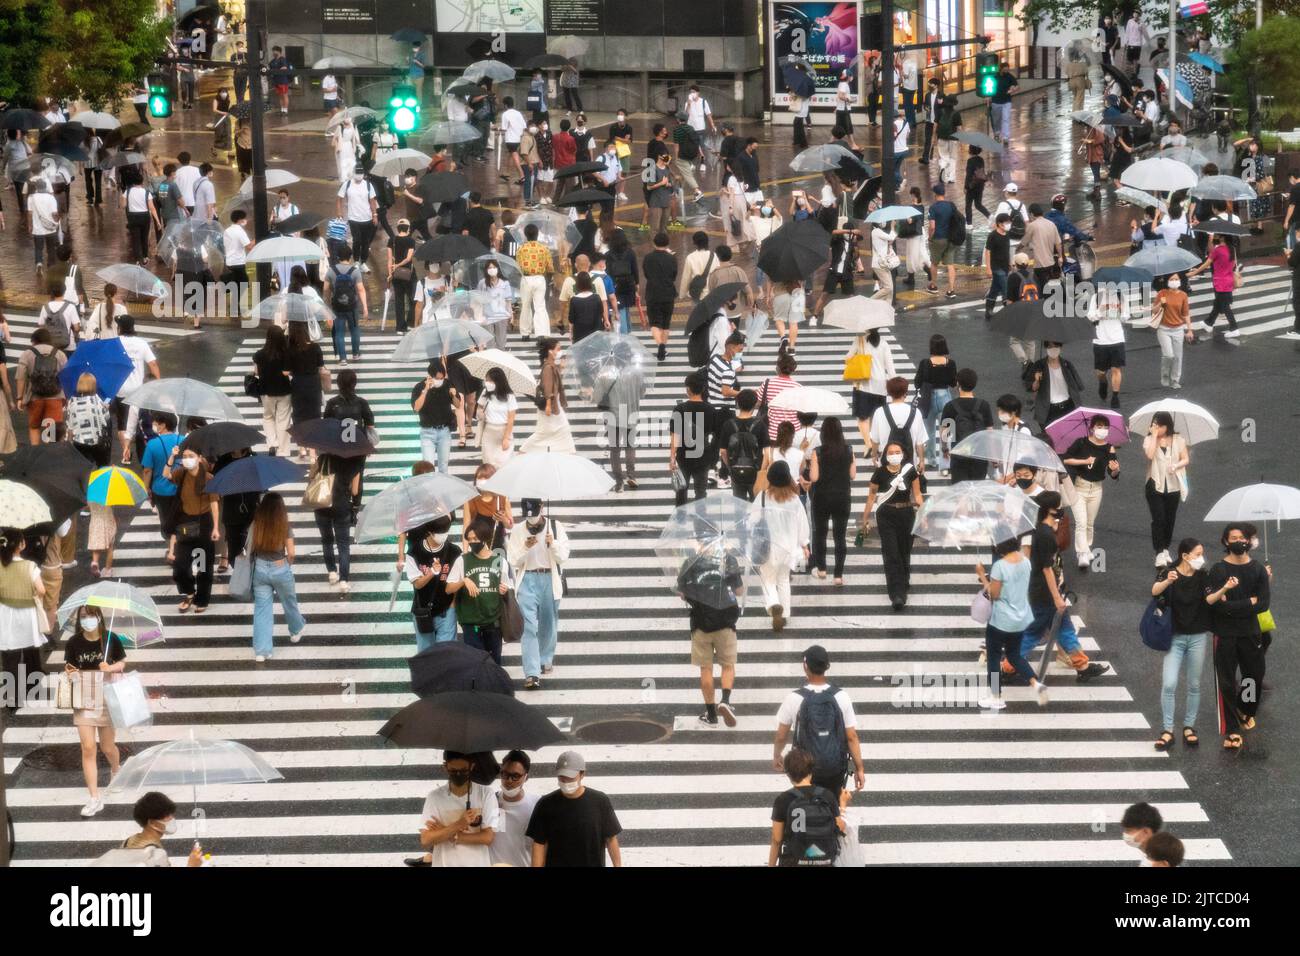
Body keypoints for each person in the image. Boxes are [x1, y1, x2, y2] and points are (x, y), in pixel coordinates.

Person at [1019, 492, 1110, 681]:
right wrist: (1057, 597)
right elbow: (1046, 569)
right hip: (1045, 594)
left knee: (1065, 629)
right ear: (1049, 510)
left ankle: (1082, 665)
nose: (1061, 509)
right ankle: (1009, 665)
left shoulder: (1044, 530)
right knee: (1033, 633)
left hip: (1047, 592)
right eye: (1058, 506)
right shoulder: (1044, 535)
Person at [1206, 524, 1269, 750]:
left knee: (1254, 676)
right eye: (1233, 538)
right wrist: (1248, 603)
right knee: (1226, 682)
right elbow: (1218, 608)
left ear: (1249, 541)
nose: (1239, 541)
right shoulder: (1218, 570)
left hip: (1251, 633)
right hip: (1225, 635)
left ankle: (1246, 708)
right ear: (1225, 542)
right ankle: (1232, 729)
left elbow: (1263, 604)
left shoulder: (1258, 570)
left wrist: (1234, 605)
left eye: (1242, 538)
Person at [772, 645, 865, 798]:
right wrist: (859, 769)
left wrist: (777, 756)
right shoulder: (841, 697)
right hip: (834, 767)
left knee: (805, 805)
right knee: (833, 806)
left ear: (805, 666)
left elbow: (781, 736)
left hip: (804, 768)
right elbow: (851, 737)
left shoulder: (794, 698)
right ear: (827, 667)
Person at [63, 605, 125, 817]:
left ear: (99, 617)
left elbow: (123, 662)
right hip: (84, 696)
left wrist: (110, 668)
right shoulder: (73, 642)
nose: (87, 619)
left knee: (107, 747)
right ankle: (94, 797)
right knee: (88, 748)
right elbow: (69, 665)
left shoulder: (110, 639)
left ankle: (116, 769)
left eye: (91, 615)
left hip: (106, 695)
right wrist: (71, 673)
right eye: (83, 616)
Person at [1150, 537, 1211, 750]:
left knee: (1194, 685)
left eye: (1201, 554)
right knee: (1169, 683)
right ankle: (1168, 730)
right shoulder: (1170, 572)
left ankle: (1188, 726)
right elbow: (1154, 591)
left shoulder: (1204, 576)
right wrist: (1168, 581)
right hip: (1174, 637)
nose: (1201, 558)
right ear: (1185, 556)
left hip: (1197, 636)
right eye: (1197, 554)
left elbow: (1211, 599)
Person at [975, 535, 1047, 709]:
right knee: (1014, 655)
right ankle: (1036, 684)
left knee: (993, 656)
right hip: (1020, 618)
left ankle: (996, 696)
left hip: (1001, 620)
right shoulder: (1025, 562)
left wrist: (982, 576)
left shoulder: (999, 566)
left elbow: (994, 594)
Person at [508, 502, 569, 690]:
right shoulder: (518, 530)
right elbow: (513, 560)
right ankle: (532, 673)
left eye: (533, 514)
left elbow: (564, 556)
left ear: (541, 508)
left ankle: (545, 658)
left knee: (548, 622)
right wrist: (525, 547)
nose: (531, 519)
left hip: (549, 578)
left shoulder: (555, 527)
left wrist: (553, 545)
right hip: (527, 579)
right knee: (528, 627)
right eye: (527, 515)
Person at [527, 750, 622, 867]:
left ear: (582, 774)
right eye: (561, 777)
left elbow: (611, 838)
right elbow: (539, 843)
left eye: (570, 777)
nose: (565, 781)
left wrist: (617, 865)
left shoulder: (600, 801)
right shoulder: (545, 803)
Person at [861, 439, 922, 610]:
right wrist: (865, 518)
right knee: (891, 553)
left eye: (897, 452)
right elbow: (871, 496)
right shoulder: (879, 473)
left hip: (907, 514)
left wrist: (923, 514)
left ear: (903, 454)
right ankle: (897, 594)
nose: (894, 455)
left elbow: (917, 495)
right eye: (890, 452)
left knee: (904, 551)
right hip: (886, 515)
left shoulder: (911, 471)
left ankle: (904, 580)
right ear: (885, 455)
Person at [751, 461, 810, 631]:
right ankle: (784, 615)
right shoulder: (794, 500)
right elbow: (802, 524)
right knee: (784, 580)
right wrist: (804, 544)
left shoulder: (762, 497)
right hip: (789, 548)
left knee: (768, 580)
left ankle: (774, 604)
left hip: (768, 547)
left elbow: (752, 520)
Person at [446, 515, 512, 665]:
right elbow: (449, 589)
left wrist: (504, 590)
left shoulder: (498, 561)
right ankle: (477, 687)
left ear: (485, 538)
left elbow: (507, 586)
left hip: (493, 621)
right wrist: (463, 581)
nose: (472, 542)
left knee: (494, 661)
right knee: (475, 660)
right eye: (469, 539)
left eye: (475, 538)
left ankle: (493, 687)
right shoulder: (463, 560)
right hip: (470, 622)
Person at [248, 492, 305, 663]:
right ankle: (295, 630)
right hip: (280, 567)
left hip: (259, 568)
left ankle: (262, 651)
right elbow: (292, 553)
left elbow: (250, 547)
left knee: (262, 609)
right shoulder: (284, 525)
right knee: (289, 602)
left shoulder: (256, 523)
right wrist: (286, 564)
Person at [415, 752, 499, 867]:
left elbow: (488, 837)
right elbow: (426, 839)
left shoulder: (487, 794)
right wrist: (459, 824)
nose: (458, 774)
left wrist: (447, 833)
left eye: (464, 770)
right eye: (453, 771)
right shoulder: (434, 797)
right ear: (445, 767)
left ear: (472, 767)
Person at [768, 747, 845, 867]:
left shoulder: (782, 800)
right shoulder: (827, 796)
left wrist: (771, 865)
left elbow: (776, 839)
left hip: (794, 861)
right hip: (824, 861)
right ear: (811, 771)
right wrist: (843, 805)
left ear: (788, 774)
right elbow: (839, 827)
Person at [1061, 414, 1119, 571]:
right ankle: (1082, 553)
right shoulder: (1081, 443)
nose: (1103, 430)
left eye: (1106, 427)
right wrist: (1084, 461)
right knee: (1080, 522)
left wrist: (1115, 470)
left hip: (1097, 489)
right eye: (1099, 426)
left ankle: (1087, 546)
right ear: (1092, 428)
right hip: (1079, 487)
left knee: (1089, 523)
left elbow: (1113, 473)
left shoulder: (1109, 448)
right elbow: (1065, 459)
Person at [0, 527, 46, 717]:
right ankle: (32, 685)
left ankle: (11, 698)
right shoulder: (30, 566)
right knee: (29, 650)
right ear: (21, 545)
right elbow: (42, 590)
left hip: (5, 612)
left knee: (9, 655)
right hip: (27, 613)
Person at [167, 446, 219, 613]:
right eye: (184, 456)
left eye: (191, 456)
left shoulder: (209, 479)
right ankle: (189, 592)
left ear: (199, 458)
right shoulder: (181, 474)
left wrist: (216, 527)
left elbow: (214, 504)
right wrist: (171, 458)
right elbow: (165, 475)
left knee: (203, 565)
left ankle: (202, 599)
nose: (186, 459)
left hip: (204, 525)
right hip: (185, 524)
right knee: (180, 565)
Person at [808, 417, 856, 586]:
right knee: (840, 536)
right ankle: (838, 575)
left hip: (822, 497)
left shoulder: (818, 452)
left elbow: (814, 477)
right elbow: (852, 475)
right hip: (842, 497)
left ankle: (821, 569)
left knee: (820, 533)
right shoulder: (849, 450)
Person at [403, 514, 459, 652]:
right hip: (423, 610)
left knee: (447, 653)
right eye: (441, 533)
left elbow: (456, 582)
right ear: (430, 532)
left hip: (446, 611)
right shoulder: (414, 552)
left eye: (446, 532)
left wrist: (453, 606)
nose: (444, 536)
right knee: (426, 653)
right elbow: (417, 584)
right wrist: (431, 573)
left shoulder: (454, 551)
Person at [1143, 411, 1189, 568]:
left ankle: (1165, 548)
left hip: (1173, 485)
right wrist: (1155, 436)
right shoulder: (1149, 439)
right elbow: (1149, 456)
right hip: (1154, 485)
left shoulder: (1178, 439)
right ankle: (1159, 552)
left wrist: (1176, 465)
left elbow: (1185, 459)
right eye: (1154, 424)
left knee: (1170, 519)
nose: (1156, 427)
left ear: (1167, 425)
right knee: (1159, 518)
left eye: (1159, 425)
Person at [669, 372, 716, 506]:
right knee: (701, 492)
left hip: (684, 455)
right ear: (703, 389)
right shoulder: (711, 410)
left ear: (688, 389)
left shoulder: (680, 409)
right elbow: (715, 435)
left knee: (681, 489)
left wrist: (672, 457)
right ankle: (700, 520)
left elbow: (675, 436)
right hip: (703, 456)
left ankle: (680, 519)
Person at [522, 338, 575, 454]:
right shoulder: (548, 368)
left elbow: (553, 382)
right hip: (551, 407)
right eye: (558, 349)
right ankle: (523, 451)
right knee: (542, 434)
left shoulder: (551, 366)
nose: (560, 352)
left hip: (554, 406)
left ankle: (570, 453)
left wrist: (560, 367)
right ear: (550, 351)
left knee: (560, 432)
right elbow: (547, 387)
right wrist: (548, 405)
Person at [940, 368, 994, 483]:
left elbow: (945, 433)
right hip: (980, 454)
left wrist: (945, 449)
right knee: (976, 490)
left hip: (959, 454)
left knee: (960, 491)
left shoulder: (950, 406)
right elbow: (990, 432)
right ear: (974, 384)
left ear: (958, 384)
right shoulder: (984, 405)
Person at [913, 334, 957, 472]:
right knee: (947, 431)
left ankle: (931, 460)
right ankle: (945, 463)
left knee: (929, 431)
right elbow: (953, 382)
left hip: (928, 398)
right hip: (945, 396)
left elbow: (917, 383)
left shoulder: (925, 363)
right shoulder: (951, 363)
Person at [489, 751, 540, 867]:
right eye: (504, 774)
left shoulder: (537, 804)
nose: (509, 781)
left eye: (515, 776)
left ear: (526, 776)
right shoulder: (491, 801)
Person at [1188, 232, 1239, 339]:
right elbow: (1234, 264)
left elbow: (1206, 264)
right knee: (1218, 303)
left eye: (1217, 235)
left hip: (1220, 281)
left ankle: (1234, 328)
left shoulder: (1218, 250)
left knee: (1224, 306)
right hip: (1228, 279)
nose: (1215, 236)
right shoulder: (1232, 249)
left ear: (1222, 237)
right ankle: (1208, 323)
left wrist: (1193, 273)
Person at [323, 242, 367, 365]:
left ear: (337, 256)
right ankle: (355, 353)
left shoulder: (331, 270)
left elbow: (326, 289)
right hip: (352, 307)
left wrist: (326, 306)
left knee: (339, 332)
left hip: (337, 307)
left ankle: (342, 358)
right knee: (354, 330)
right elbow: (361, 290)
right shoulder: (355, 271)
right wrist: (365, 307)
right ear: (350, 256)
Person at [868, 376, 927, 468]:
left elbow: (875, 440)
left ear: (889, 392)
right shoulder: (915, 412)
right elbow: (920, 442)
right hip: (910, 464)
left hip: (886, 463)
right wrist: (922, 461)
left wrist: (874, 455)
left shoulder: (880, 412)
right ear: (905, 392)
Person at [1024, 342, 1082, 429]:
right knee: (1050, 437)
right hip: (1049, 410)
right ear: (1046, 348)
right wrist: (1036, 380)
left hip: (1068, 407)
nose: (1053, 349)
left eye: (1056, 346)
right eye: (1050, 346)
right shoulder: (1039, 366)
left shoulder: (1067, 364)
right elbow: (1033, 388)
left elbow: (1077, 385)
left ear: (1060, 347)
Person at [642, 232, 678, 362]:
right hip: (668, 292)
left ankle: (660, 345)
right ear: (667, 243)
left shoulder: (648, 258)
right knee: (666, 323)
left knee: (654, 323)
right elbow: (674, 275)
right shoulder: (672, 258)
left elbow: (646, 274)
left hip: (652, 293)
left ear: (654, 243)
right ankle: (663, 345)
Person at [516, 223, 554, 339]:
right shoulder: (544, 249)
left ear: (525, 235)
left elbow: (517, 266)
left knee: (525, 305)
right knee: (540, 306)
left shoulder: (521, 249)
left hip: (526, 278)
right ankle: (541, 333)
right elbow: (550, 268)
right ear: (537, 235)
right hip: (539, 278)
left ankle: (525, 333)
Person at [982, 213, 1013, 320]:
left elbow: (1006, 250)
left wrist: (1009, 263)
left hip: (1004, 266)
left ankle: (988, 311)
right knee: (1005, 289)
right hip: (996, 267)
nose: (1009, 224)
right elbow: (988, 252)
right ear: (999, 224)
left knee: (995, 289)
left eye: (1009, 222)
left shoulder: (1007, 235)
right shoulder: (993, 236)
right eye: (1007, 222)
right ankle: (1010, 313)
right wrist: (988, 268)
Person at [989, 60, 1019, 142]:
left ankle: (1006, 137)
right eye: (1005, 70)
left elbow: (1016, 86)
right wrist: (988, 97)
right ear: (1001, 69)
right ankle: (997, 133)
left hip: (1006, 101)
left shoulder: (1009, 76)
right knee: (996, 119)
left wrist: (1013, 89)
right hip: (996, 101)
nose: (1006, 71)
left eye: (1007, 70)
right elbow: (989, 86)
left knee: (1006, 118)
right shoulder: (995, 76)